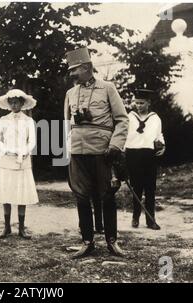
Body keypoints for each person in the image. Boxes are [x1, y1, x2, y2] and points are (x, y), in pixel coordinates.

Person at [64, 47, 129, 258]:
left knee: (107, 196)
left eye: (74, 70)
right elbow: (67, 124)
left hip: (103, 151)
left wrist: (116, 146)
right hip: (78, 152)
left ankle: (112, 241)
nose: (71, 74)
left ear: (86, 67)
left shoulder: (107, 88)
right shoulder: (70, 93)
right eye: (70, 70)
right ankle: (87, 242)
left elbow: (122, 120)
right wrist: (67, 149)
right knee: (81, 197)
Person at [0, 89, 39, 239]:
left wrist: (23, 152)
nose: (13, 104)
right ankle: (6, 227)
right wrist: (5, 149)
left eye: (16, 102)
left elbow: (31, 141)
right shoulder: (3, 120)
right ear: (8, 103)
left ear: (22, 103)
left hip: (22, 160)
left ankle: (21, 228)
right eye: (11, 102)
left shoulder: (28, 121)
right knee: (6, 193)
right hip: (6, 159)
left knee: (21, 194)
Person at [124, 88, 165, 230]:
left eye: (142, 103)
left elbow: (159, 135)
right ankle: (135, 217)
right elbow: (123, 135)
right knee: (137, 187)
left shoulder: (155, 118)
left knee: (150, 188)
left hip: (149, 155)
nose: (139, 105)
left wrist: (162, 145)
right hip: (133, 154)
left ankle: (150, 220)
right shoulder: (129, 117)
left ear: (148, 103)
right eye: (137, 102)